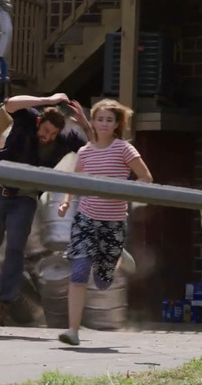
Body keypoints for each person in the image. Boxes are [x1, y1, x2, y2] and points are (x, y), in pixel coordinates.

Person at [0, 93, 93, 326]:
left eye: (53, 134)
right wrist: (46, 99)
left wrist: (85, 123)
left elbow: (94, 149)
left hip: (24, 199)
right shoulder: (28, 118)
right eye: (45, 131)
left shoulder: (66, 138)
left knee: (15, 248)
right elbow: (10, 103)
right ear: (39, 122)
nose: (48, 137)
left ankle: (3, 302)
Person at [56, 98, 153, 346]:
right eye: (100, 119)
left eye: (109, 120)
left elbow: (146, 178)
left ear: (117, 124)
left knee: (102, 281)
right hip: (86, 219)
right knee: (78, 272)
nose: (103, 124)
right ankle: (73, 331)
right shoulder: (85, 152)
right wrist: (66, 202)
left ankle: (117, 256)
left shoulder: (124, 149)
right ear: (94, 122)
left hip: (113, 222)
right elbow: (74, 182)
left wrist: (123, 188)